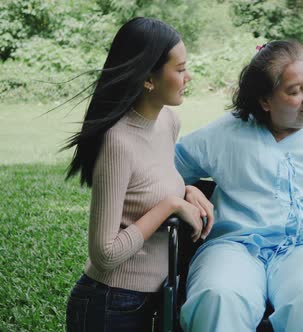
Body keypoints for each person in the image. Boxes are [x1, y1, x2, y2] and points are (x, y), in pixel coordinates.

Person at [174, 40, 303, 331]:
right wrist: (186, 190)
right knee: (217, 295)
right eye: (294, 91)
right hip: (233, 245)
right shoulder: (226, 133)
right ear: (265, 101)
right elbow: (165, 168)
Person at [63, 17, 212, 331]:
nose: (188, 77)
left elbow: (151, 181)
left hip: (154, 298)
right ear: (148, 79)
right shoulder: (118, 142)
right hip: (111, 304)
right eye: (180, 69)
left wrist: (187, 190)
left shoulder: (168, 121)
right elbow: (105, 253)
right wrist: (171, 205)